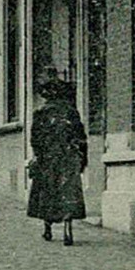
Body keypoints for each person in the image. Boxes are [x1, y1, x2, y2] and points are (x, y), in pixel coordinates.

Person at [27, 77, 88, 245]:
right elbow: (81, 137)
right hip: (68, 159)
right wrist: (82, 161)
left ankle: (48, 229)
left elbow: (35, 139)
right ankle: (68, 229)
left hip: (48, 159)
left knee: (47, 192)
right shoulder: (71, 112)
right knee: (68, 192)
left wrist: (38, 156)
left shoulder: (40, 113)